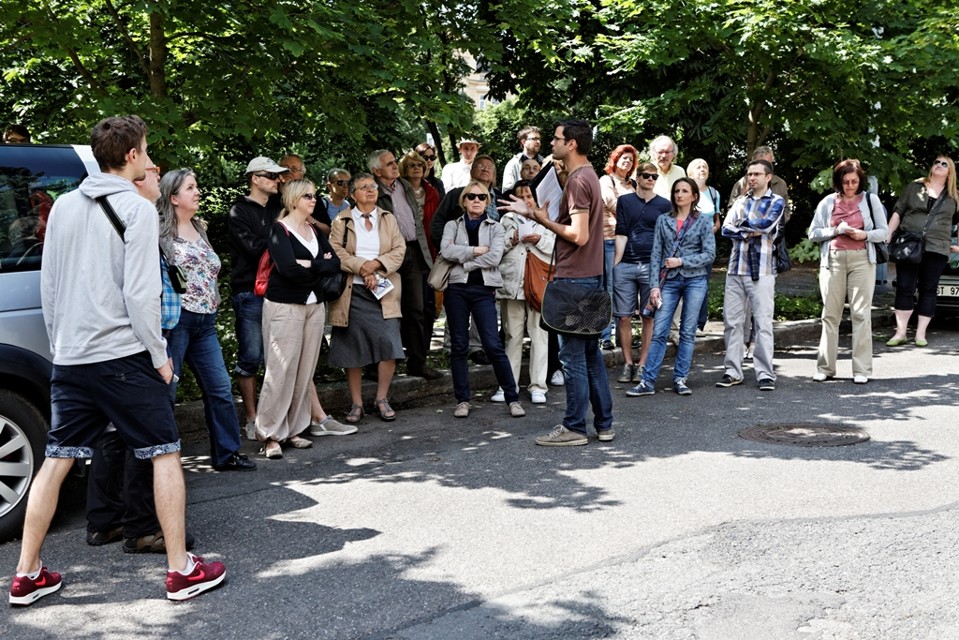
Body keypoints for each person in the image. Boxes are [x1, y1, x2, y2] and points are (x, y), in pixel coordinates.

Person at [12, 115, 224, 606]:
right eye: (146, 150)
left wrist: (61, 342)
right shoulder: (135, 207)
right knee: (165, 452)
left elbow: (50, 283)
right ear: (130, 156)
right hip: (123, 355)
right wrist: (160, 356)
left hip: (72, 356)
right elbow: (141, 292)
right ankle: (180, 570)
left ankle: (26, 575)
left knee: (57, 458)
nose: (150, 159)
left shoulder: (63, 205)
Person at [85, 159, 197, 555]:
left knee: (114, 435)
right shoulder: (136, 215)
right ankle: (142, 527)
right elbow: (139, 293)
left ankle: (104, 522)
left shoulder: (106, 214)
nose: (155, 174)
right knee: (149, 439)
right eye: (151, 170)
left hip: (115, 343)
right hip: (141, 342)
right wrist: (157, 353)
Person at [500, 119, 614, 446]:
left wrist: (541, 218)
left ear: (573, 144)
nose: (552, 142)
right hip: (587, 278)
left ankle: (575, 428)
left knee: (573, 358)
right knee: (590, 355)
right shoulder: (587, 176)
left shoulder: (579, 180)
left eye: (557, 137)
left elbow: (579, 235)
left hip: (576, 280)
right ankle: (604, 424)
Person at [158, 169, 256, 471]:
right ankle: (161, 461)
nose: (197, 191)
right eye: (191, 187)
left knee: (220, 388)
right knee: (166, 394)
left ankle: (227, 454)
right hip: (176, 324)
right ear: (174, 197)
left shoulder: (200, 227)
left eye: (196, 186)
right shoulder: (159, 233)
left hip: (206, 322)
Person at [254, 179, 343, 459]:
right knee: (280, 372)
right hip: (285, 307)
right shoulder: (280, 230)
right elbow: (289, 270)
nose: (313, 200)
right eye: (307, 196)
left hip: (314, 306)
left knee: (304, 372)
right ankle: (269, 435)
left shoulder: (313, 229)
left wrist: (311, 265)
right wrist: (318, 267)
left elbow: (335, 264)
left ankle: (294, 429)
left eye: (314, 195)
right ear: (293, 199)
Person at [440, 181, 525, 420]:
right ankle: (462, 400)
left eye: (481, 197)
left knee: (492, 344)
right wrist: (476, 251)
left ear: (487, 202)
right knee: (459, 346)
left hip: (483, 290)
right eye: (471, 196)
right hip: (456, 289)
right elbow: (446, 251)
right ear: (464, 200)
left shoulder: (496, 228)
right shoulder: (451, 225)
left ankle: (512, 397)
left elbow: (495, 257)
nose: (476, 200)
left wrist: (464, 259)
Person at [328, 173, 406, 423]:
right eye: (363, 188)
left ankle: (382, 399)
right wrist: (362, 267)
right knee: (353, 348)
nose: (370, 191)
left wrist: (376, 267)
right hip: (354, 292)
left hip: (384, 291)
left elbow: (399, 249)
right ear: (352, 194)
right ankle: (357, 404)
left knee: (389, 344)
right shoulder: (342, 219)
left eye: (373, 186)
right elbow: (336, 252)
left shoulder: (388, 217)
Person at [626, 178, 715, 396]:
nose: (679, 195)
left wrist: (682, 261)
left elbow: (709, 254)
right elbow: (656, 254)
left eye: (685, 191)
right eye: (676, 191)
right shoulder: (663, 220)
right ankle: (647, 382)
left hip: (695, 279)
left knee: (686, 332)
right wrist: (654, 287)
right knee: (659, 331)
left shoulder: (702, 221)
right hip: (670, 281)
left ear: (694, 196)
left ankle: (680, 378)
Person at [807, 159, 889, 383]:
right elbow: (813, 233)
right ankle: (825, 368)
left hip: (862, 259)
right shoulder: (827, 202)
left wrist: (863, 235)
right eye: (845, 182)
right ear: (839, 181)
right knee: (830, 315)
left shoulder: (871, 200)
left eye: (854, 181)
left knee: (861, 314)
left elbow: (884, 232)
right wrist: (835, 230)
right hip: (832, 260)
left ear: (860, 180)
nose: (850, 185)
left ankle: (861, 370)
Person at [228, 157, 289, 439]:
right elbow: (254, 249)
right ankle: (252, 419)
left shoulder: (280, 206)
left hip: (280, 291)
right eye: (271, 175)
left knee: (280, 358)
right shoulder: (239, 211)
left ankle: (278, 415)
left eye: (279, 176)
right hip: (250, 292)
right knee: (251, 356)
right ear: (255, 178)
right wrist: (281, 237)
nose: (277, 180)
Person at [370, 149, 443, 380]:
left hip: (412, 252)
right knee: (383, 310)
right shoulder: (370, 189)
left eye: (394, 162)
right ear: (376, 170)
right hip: (385, 257)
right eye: (389, 163)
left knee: (417, 310)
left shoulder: (403, 186)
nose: (394, 166)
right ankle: (376, 367)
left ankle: (417, 363)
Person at [716, 159, 786, 391]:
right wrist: (748, 231)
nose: (752, 178)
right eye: (749, 174)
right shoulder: (740, 201)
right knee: (732, 323)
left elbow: (766, 225)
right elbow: (726, 228)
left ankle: (765, 374)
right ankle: (732, 371)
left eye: (757, 174)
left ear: (768, 178)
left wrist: (741, 226)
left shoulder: (777, 201)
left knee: (763, 323)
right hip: (735, 269)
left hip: (762, 270)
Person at [885, 155, 959, 347]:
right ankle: (900, 332)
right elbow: (898, 211)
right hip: (909, 243)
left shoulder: (954, 196)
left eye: (945, 164)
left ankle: (920, 334)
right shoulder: (914, 187)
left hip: (937, 247)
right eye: (937, 162)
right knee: (904, 286)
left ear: (950, 171)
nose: (940, 166)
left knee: (928, 289)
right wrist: (888, 233)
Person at [495, 180, 555, 404]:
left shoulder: (547, 220)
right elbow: (496, 251)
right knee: (512, 336)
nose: (525, 200)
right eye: (520, 196)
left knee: (540, 335)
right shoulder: (505, 220)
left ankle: (538, 385)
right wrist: (513, 238)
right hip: (512, 285)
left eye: (529, 196)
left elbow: (558, 252)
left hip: (539, 285)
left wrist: (539, 239)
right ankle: (508, 386)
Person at [612, 162, 672, 384]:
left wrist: (664, 267)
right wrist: (616, 264)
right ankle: (628, 363)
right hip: (626, 264)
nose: (650, 179)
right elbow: (621, 231)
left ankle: (643, 364)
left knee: (649, 316)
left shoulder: (664, 205)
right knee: (624, 316)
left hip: (652, 266)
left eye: (654, 177)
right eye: (646, 175)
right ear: (637, 177)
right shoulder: (625, 201)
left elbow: (667, 237)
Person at [598, 144, 638, 349]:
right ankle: (605, 336)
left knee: (624, 288)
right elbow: (613, 204)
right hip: (610, 240)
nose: (627, 162)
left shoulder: (633, 184)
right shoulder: (606, 180)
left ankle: (623, 335)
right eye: (624, 158)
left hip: (630, 241)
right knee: (610, 288)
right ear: (615, 160)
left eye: (631, 160)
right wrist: (636, 215)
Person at [687, 158, 722, 331]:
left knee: (703, 283)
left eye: (705, 167)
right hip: (687, 245)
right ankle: (684, 322)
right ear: (691, 172)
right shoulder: (685, 191)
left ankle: (699, 323)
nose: (702, 169)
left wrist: (712, 230)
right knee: (685, 282)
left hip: (707, 245)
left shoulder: (714, 193)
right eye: (698, 167)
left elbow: (717, 221)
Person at [502, 126, 544, 192]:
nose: (538, 142)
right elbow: (507, 191)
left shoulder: (544, 162)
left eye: (539, 139)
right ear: (524, 142)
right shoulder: (513, 164)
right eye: (534, 139)